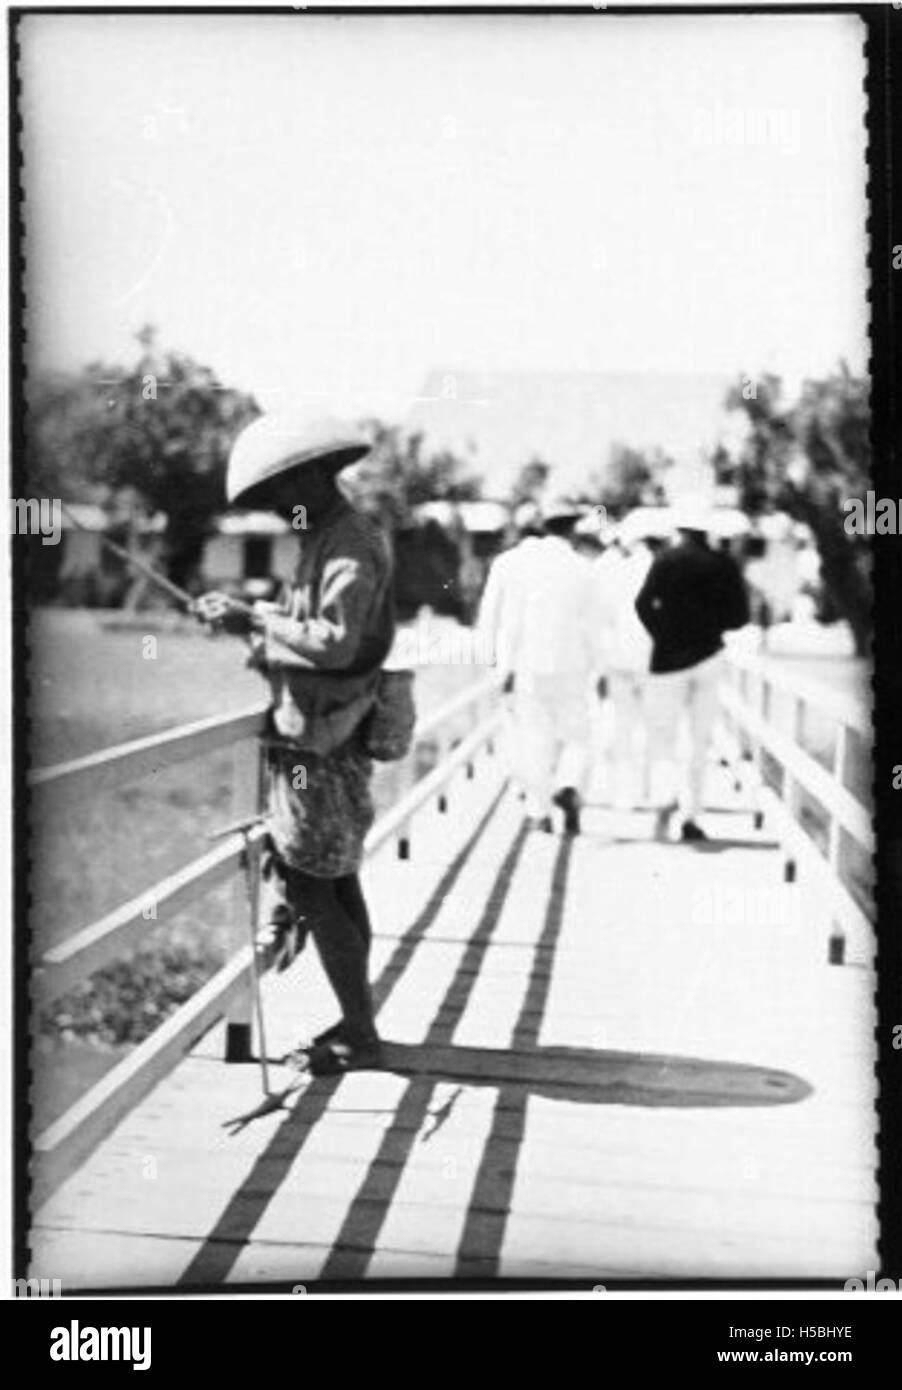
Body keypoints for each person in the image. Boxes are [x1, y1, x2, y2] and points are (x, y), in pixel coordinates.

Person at [195, 414, 394, 1075]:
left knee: (312, 886)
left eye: (281, 492)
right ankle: (359, 1021)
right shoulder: (325, 537)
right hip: (318, 731)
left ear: (311, 476)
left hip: (325, 743)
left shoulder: (347, 545)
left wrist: (252, 616)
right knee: (336, 882)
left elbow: (335, 643)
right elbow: (307, 633)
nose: (278, 507)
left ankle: (362, 1035)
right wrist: (248, 627)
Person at [635, 497, 750, 842]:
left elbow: (641, 603)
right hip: (708, 657)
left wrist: (662, 632)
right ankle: (691, 815)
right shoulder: (723, 563)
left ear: (679, 529)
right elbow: (740, 617)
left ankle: (667, 795)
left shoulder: (665, 560)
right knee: (698, 742)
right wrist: (712, 627)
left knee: (664, 736)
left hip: (668, 660)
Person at [485, 499, 600, 835]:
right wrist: (600, 667)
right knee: (577, 736)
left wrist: (498, 667)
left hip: (529, 663)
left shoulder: (512, 562)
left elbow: (492, 619)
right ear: (573, 527)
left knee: (535, 737)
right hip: (574, 664)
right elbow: (594, 623)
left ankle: (539, 810)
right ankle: (569, 784)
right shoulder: (583, 567)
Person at [593, 528, 655, 808]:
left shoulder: (604, 569)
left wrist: (599, 665)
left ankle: (619, 791)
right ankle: (644, 789)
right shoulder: (652, 566)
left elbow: (600, 620)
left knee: (619, 728)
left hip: (617, 659)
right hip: (649, 659)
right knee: (646, 727)